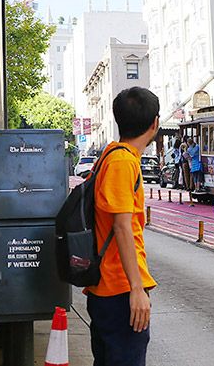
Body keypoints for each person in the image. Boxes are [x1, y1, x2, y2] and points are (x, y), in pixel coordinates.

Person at [85, 87, 159, 366]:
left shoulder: (112, 155)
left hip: (110, 290)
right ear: (154, 124)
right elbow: (122, 227)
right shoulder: (121, 162)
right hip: (118, 291)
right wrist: (137, 289)